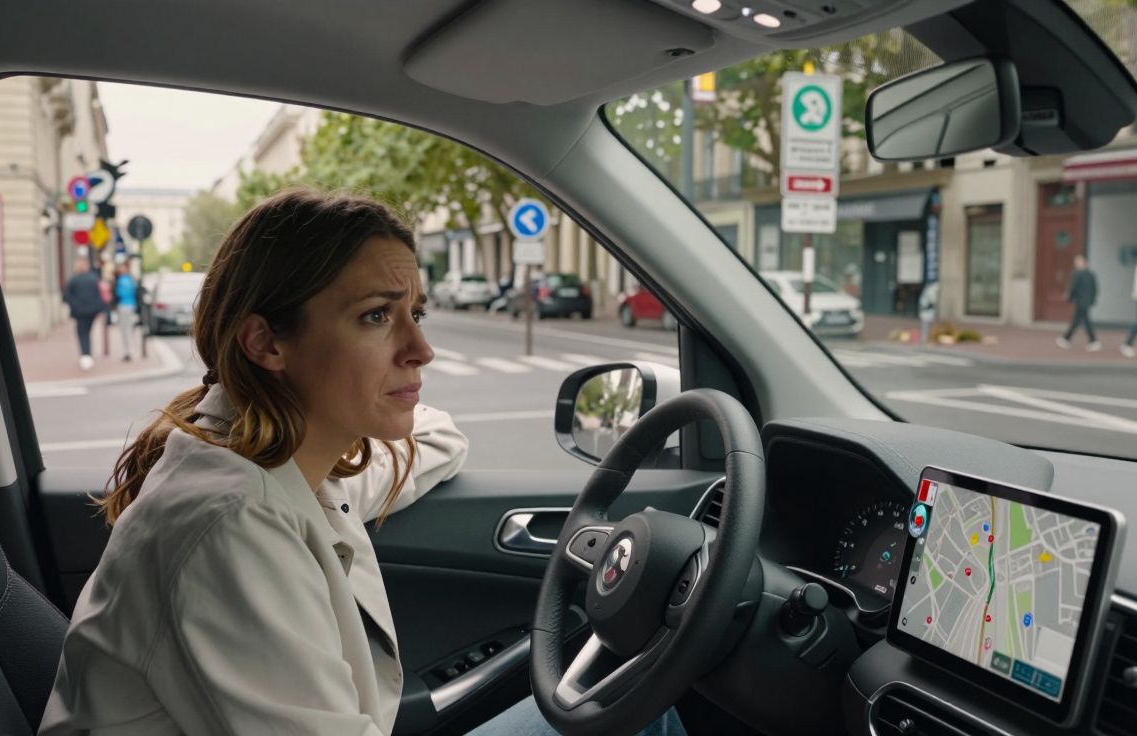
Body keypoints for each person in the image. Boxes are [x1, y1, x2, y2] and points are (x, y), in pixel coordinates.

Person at [39, 190, 681, 736]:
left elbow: (436, 441)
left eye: (416, 313)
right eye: (376, 316)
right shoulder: (231, 522)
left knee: (633, 692)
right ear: (266, 343)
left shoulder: (287, 462)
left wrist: (374, 423)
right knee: (645, 699)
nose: (422, 349)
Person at [61, 256, 105, 371]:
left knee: (82, 333)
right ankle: (88, 354)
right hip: (91, 312)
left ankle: (85, 355)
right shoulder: (94, 279)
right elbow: (99, 295)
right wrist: (98, 309)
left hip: (80, 312)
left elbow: (66, 296)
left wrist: (74, 305)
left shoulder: (74, 280)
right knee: (87, 333)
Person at [1056, 254, 1101, 351]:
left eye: (1078, 261)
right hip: (1086, 302)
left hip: (1081, 301)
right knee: (1082, 321)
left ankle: (1068, 339)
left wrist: (1069, 296)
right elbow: (1095, 289)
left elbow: (1073, 287)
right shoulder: (1090, 274)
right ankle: (1090, 341)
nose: (1076, 263)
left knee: (1079, 321)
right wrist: (1092, 300)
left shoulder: (1078, 274)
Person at [113, 262, 139, 361]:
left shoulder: (122, 280)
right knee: (128, 329)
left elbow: (119, 293)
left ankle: (128, 351)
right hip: (131, 306)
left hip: (124, 306)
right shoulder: (130, 279)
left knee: (125, 330)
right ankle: (130, 350)